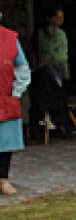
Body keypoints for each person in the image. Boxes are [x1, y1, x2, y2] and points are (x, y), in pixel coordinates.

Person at [0, 17, 31, 196]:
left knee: (5, 140)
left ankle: (3, 178)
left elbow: (22, 68)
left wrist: (15, 91)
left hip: (4, 97)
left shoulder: (10, 38)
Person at [30, 7, 71, 134]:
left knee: (51, 77)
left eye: (61, 17)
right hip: (45, 69)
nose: (60, 20)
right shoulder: (43, 34)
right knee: (44, 78)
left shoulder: (61, 34)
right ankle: (45, 115)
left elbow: (61, 57)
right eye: (57, 17)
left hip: (58, 68)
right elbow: (43, 52)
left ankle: (51, 115)